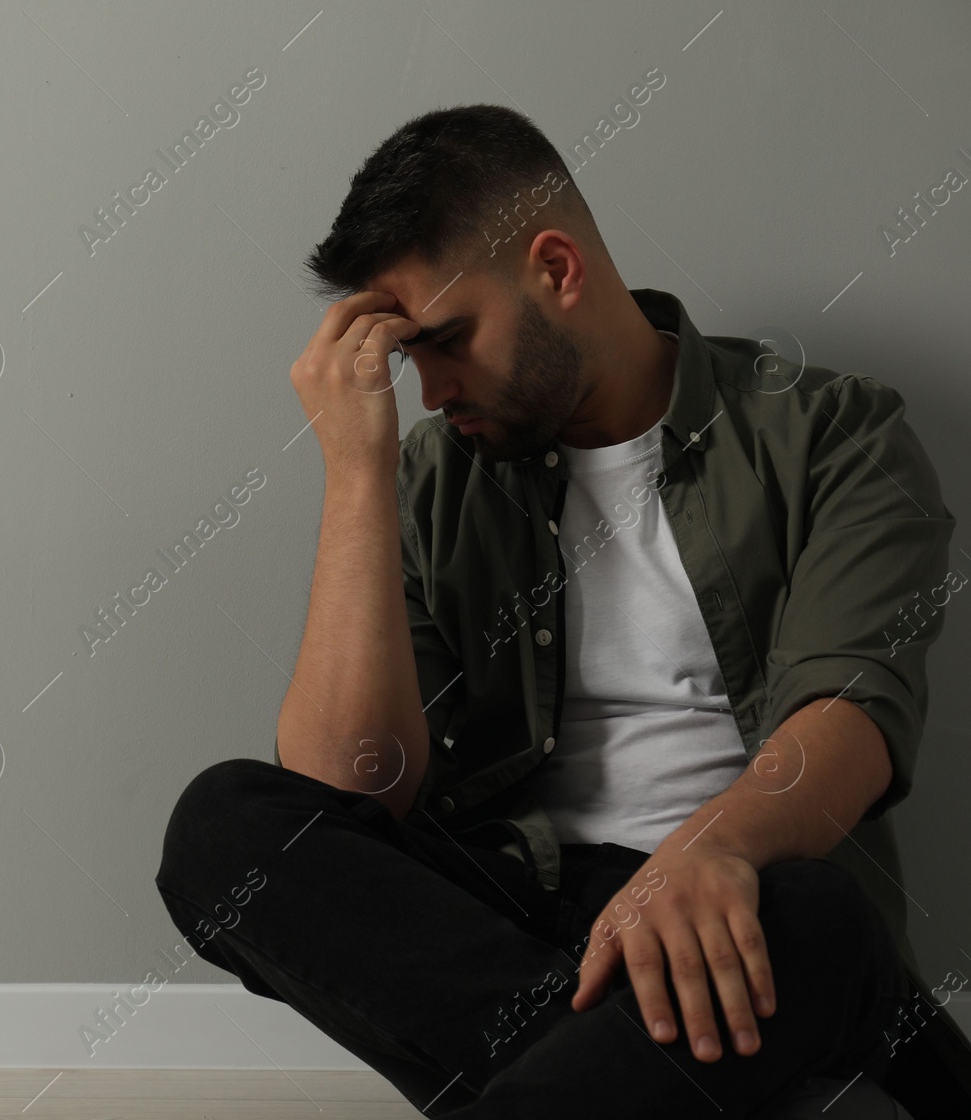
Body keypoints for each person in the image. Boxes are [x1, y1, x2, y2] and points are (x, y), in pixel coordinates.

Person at [155, 103, 971, 1117]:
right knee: (222, 826)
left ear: (556, 268)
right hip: (521, 915)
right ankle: (632, 1071)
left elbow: (849, 715)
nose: (430, 389)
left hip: (750, 895)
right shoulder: (429, 476)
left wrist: (709, 851)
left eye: (445, 341)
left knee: (820, 916)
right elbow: (346, 793)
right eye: (405, 359)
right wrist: (355, 467)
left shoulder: (830, 431)